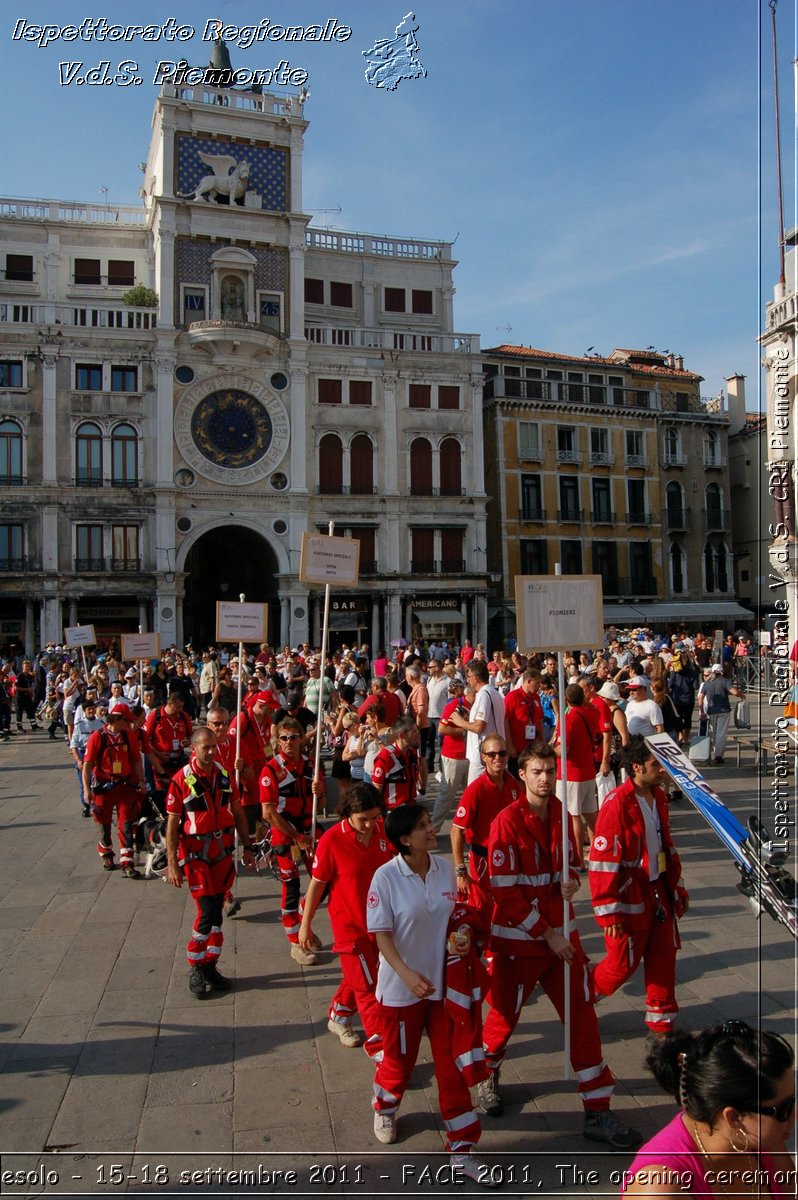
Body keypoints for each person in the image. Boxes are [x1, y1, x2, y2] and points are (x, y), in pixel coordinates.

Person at [479, 741, 641, 1150]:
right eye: (537, 771)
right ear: (524, 775)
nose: (546, 778)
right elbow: (504, 892)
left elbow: (569, 864)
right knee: (502, 1020)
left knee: (582, 1017)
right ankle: (487, 1074)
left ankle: (598, 1109)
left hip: (562, 939)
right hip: (521, 943)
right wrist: (546, 933)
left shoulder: (562, 815)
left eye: (550, 771)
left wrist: (572, 878)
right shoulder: (506, 822)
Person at [366, 804, 495, 1185]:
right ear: (404, 839)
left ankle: (462, 1146)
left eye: (428, 823)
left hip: (444, 989)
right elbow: (381, 935)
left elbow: (459, 915)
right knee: (400, 1062)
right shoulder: (385, 878)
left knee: (451, 1064)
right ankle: (385, 1105)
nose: (431, 828)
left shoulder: (443, 868)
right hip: (400, 990)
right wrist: (406, 975)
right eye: (423, 826)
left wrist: (464, 936)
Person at [622, 1021, 796, 1197]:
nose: (795, 1114)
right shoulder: (660, 1187)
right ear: (734, 1117)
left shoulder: (761, 1137)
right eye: (784, 1108)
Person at [589, 736, 688, 1036]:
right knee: (622, 964)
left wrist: (677, 887)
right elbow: (602, 863)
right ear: (636, 768)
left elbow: (666, 845)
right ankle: (581, 996)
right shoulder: (617, 803)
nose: (662, 771)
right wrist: (609, 915)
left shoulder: (658, 798)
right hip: (630, 895)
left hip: (659, 892)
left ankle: (662, 1028)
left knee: (663, 958)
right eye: (655, 764)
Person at [297, 783, 393, 1053]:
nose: (370, 825)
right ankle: (381, 1049)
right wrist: (305, 925)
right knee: (367, 987)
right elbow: (317, 885)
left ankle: (338, 1016)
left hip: (381, 922)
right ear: (349, 813)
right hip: (350, 927)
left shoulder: (382, 830)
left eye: (375, 818)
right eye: (364, 819)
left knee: (361, 973)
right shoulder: (332, 841)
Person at [165, 727, 256, 998]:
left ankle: (210, 965)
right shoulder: (181, 779)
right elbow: (172, 823)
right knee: (206, 911)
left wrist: (248, 846)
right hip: (196, 854)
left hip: (221, 851)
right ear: (193, 749)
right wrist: (172, 862)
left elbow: (238, 811)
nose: (211, 751)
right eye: (205, 747)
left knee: (217, 912)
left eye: (214, 746)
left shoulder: (225, 775)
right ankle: (195, 964)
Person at [260, 717, 325, 965]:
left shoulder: (312, 766)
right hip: (287, 836)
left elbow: (323, 805)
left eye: (294, 737)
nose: (289, 742)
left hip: (311, 831)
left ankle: (303, 921)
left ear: (301, 739)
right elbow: (269, 813)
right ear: (278, 743)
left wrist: (320, 793)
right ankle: (295, 942)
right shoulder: (270, 770)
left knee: (324, 879)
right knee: (291, 887)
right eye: (284, 738)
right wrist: (296, 837)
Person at [450, 734, 520, 916]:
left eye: (502, 753)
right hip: (483, 859)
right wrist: (460, 870)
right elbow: (456, 831)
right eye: (492, 754)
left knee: (510, 905)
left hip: (511, 856)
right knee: (484, 908)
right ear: (483, 757)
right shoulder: (475, 789)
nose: (498, 758)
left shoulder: (513, 784)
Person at [82, 704, 146, 876]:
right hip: (104, 787)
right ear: (117, 719)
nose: (129, 725)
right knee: (104, 823)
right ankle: (106, 853)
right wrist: (86, 790)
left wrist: (141, 780)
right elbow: (87, 765)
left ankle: (127, 861)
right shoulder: (98, 737)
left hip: (125, 786)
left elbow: (136, 760)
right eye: (127, 721)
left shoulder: (128, 736)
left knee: (126, 823)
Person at [554, 683, 600, 868]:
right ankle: (599, 853)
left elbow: (563, 750)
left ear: (566, 700)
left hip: (571, 773)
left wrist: (548, 750)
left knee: (573, 816)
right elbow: (593, 707)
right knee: (591, 816)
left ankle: (579, 859)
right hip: (588, 770)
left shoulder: (568, 719)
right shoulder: (592, 713)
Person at [447, 660, 506, 784]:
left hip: (482, 755)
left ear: (476, 678)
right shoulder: (494, 693)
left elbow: (480, 727)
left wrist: (460, 722)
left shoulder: (483, 694)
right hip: (491, 751)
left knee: (476, 793)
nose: (467, 680)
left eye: (469, 677)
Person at [430, 680, 472, 832]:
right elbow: (442, 729)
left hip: (470, 756)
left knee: (471, 795)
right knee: (447, 795)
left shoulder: (476, 705)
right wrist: (465, 730)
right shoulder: (454, 705)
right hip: (453, 756)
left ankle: (469, 829)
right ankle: (433, 829)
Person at [371, 715, 426, 809]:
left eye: (417, 731)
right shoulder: (386, 756)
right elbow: (376, 788)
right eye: (413, 732)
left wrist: (422, 789)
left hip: (411, 807)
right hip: (393, 811)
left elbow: (420, 771)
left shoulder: (412, 752)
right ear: (401, 736)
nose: (418, 734)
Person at [697, 664, 743, 765]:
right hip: (723, 710)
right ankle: (718, 755)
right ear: (721, 672)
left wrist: (702, 711)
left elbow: (700, 698)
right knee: (721, 733)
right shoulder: (725, 681)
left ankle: (715, 751)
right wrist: (742, 695)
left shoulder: (707, 683)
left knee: (714, 732)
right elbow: (734, 692)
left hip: (711, 710)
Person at [503, 668, 544, 777]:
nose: (539, 686)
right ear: (529, 681)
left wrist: (542, 741)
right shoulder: (512, 697)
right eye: (537, 683)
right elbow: (505, 721)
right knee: (518, 779)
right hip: (517, 747)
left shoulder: (536, 697)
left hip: (534, 747)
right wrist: (509, 745)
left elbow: (539, 720)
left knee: (532, 776)